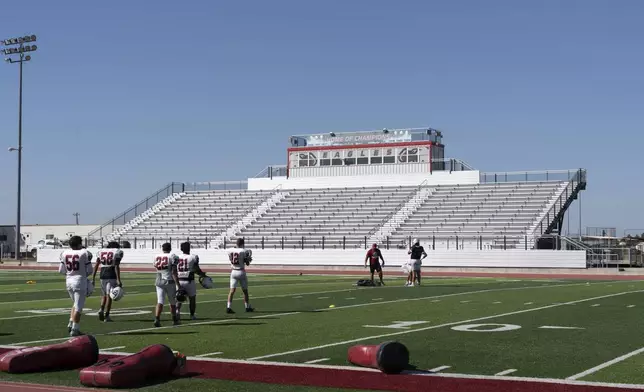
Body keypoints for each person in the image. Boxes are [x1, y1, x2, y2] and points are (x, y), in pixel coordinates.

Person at [58, 235, 93, 336]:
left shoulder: (64, 253)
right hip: (79, 280)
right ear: (79, 243)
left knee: (75, 304)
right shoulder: (84, 253)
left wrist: (71, 274)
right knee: (78, 307)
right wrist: (82, 275)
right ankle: (75, 329)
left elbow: (61, 270)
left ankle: (70, 324)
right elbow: (90, 270)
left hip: (68, 281)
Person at [92, 241, 123, 322]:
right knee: (110, 295)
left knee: (103, 295)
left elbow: (96, 265)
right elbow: (116, 266)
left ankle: (101, 309)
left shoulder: (101, 251)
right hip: (111, 274)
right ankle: (107, 315)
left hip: (102, 274)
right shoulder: (117, 252)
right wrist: (118, 279)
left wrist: (93, 277)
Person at [176, 241, 207, 321]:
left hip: (179, 280)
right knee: (192, 299)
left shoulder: (177, 257)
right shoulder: (193, 257)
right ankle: (192, 315)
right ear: (189, 248)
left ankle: (177, 312)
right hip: (189, 280)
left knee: (179, 297)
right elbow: (196, 269)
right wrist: (202, 274)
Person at [153, 242, 180, 327]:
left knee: (160, 301)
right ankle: (174, 320)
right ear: (170, 248)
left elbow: (156, 267)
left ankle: (157, 318)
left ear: (162, 248)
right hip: (169, 281)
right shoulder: (172, 256)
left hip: (158, 280)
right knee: (172, 302)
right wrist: (178, 285)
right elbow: (174, 272)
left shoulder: (157, 256)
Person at [226, 238, 254, 314]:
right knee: (245, 291)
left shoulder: (230, 250)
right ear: (242, 244)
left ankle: (228, 307)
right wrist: (249, 259)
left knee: (231, 291)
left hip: (233, 272)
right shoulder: (243, 251)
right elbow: (247, 263)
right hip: (241, 271)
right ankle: (247, 307)